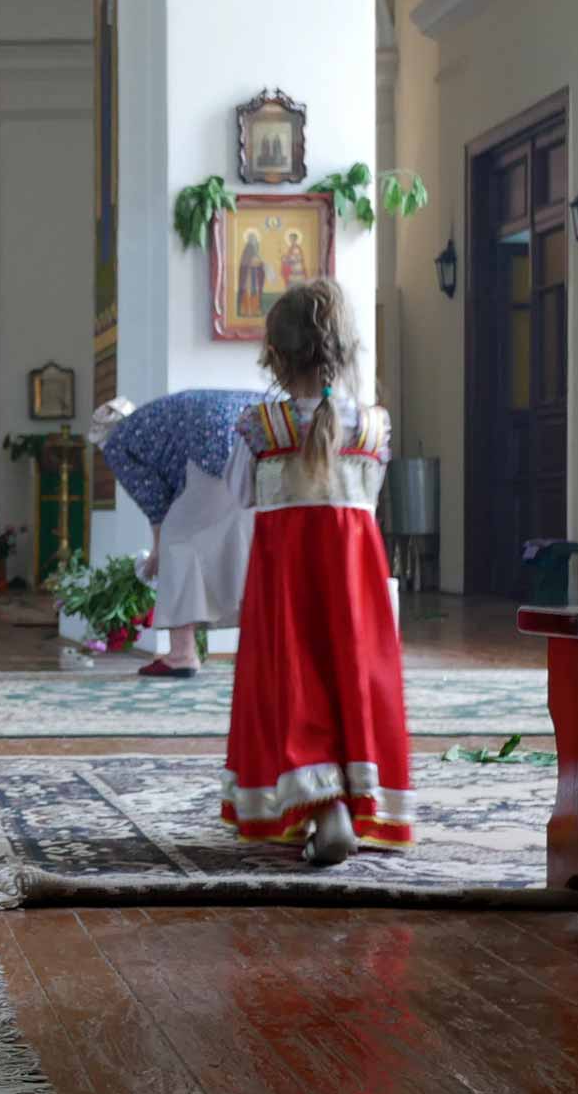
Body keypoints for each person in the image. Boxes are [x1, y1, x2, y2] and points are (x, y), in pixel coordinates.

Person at [222, 279, 412, 865]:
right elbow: (371, 501)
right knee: (355, 680)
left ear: (275, 358)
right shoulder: (373, 428)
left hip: (285, 587)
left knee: (294, 683)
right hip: (356, 591)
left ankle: (321, 808)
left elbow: (238, 497)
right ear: (343, 351)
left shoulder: (263, 428)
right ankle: (358, 802)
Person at [88, 389, 264, 677]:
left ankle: (182, 654)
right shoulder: (154, 419)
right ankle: (261, 648)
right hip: (258, 433)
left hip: (214, 440)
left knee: (178, 543)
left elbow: (155, 502)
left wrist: (157, 552)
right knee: (243, 542)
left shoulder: (119, 442)